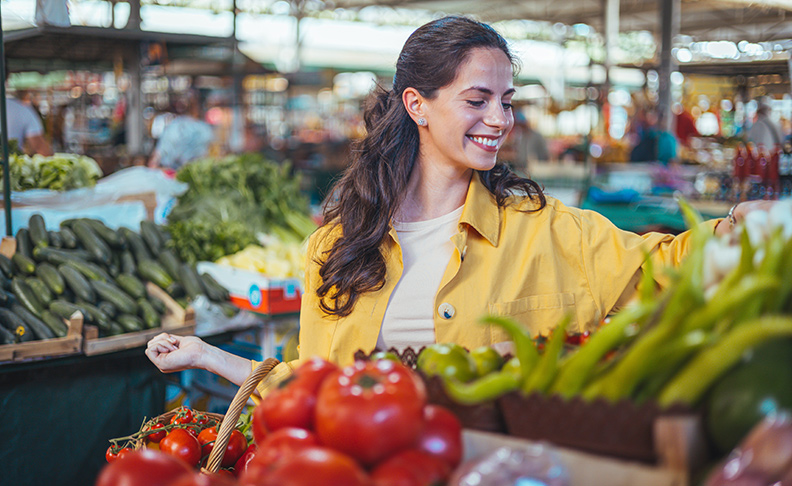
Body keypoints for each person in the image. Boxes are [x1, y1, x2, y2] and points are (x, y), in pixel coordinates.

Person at [146, 16, 776, 394]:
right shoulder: (336, 249)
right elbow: (314, 392)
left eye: (506, 101)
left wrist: (735, 230)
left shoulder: (545, 229)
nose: (499, 119)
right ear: (417, 105)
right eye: (477, 100)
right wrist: (206, 356)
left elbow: (664, 268)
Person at [147, 94, 214, 170]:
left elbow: (157, 155)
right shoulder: (204, 128)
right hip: (197, 174)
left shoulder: (173, 126)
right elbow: (210, 155)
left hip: (171, 174)